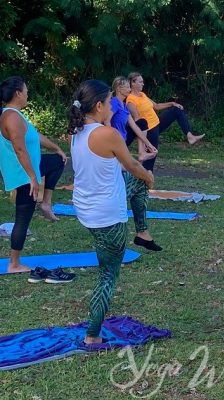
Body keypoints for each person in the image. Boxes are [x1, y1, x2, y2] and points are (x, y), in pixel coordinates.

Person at [69, 79, 159, 344]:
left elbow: (112, 165)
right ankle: (92, 337)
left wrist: (141, 176)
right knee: (107, 275)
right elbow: (131, 163)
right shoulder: (107, 135)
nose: (113, 106)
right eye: (109, 102)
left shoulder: (77, 132)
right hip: (106, 214)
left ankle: (143, 231)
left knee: (138, 184)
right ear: (98, 105)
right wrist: (149, 176)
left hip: (87, 210)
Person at [0, 76, 74, 283]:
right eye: (25, 90)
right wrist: (33, 177)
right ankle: (14, 263)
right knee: (22, 218)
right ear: (17, 93)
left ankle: (47, 203)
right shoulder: (11, 117)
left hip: (30, 168)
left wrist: (57, 148)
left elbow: (35, 136)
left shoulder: (17, 115)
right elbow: (19, 148)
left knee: (57, 161)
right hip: (23, 174)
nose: (27, 94)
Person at [126, 72, 204, 171]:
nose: (143, 84)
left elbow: (156, 106)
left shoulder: (142, 94)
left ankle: (190, 136)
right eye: (140, 82)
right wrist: (143, 142)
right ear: (133, 83)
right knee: (150, 161)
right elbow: (138, 124)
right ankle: (144, 182)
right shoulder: (130, 101)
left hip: (158, 124)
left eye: (143, 82)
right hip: (149, 131)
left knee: (177, 110)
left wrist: (172, 103)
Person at [109, 76, 157, 162]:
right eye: (127, 87)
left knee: (142, 122)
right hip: (116, 141)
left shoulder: (124, 105)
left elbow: (134, 126)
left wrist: (149, 145)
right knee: (129, 167)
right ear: (119, 89)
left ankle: (141, 153)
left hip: (124, 139)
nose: (130, 90)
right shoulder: (114, 102)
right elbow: (106, 120)